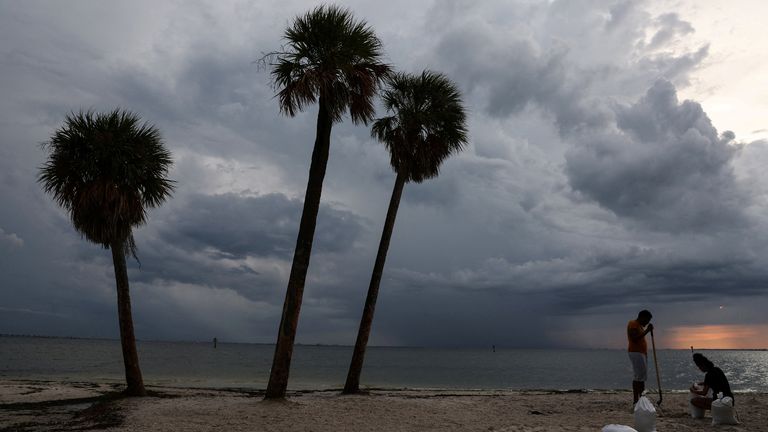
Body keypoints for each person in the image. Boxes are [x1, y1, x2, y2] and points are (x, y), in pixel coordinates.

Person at [627, 309, 653, 404]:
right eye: (647, 320)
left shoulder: (639, 326)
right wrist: (647, 331)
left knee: (641, 376)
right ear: (642, 317)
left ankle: (641, 398)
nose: (647, 323)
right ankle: (637, 400)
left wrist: (646, 330)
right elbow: (634, 338)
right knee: (638, 377)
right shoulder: (633, 324)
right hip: (636, 352)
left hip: (641, 353)